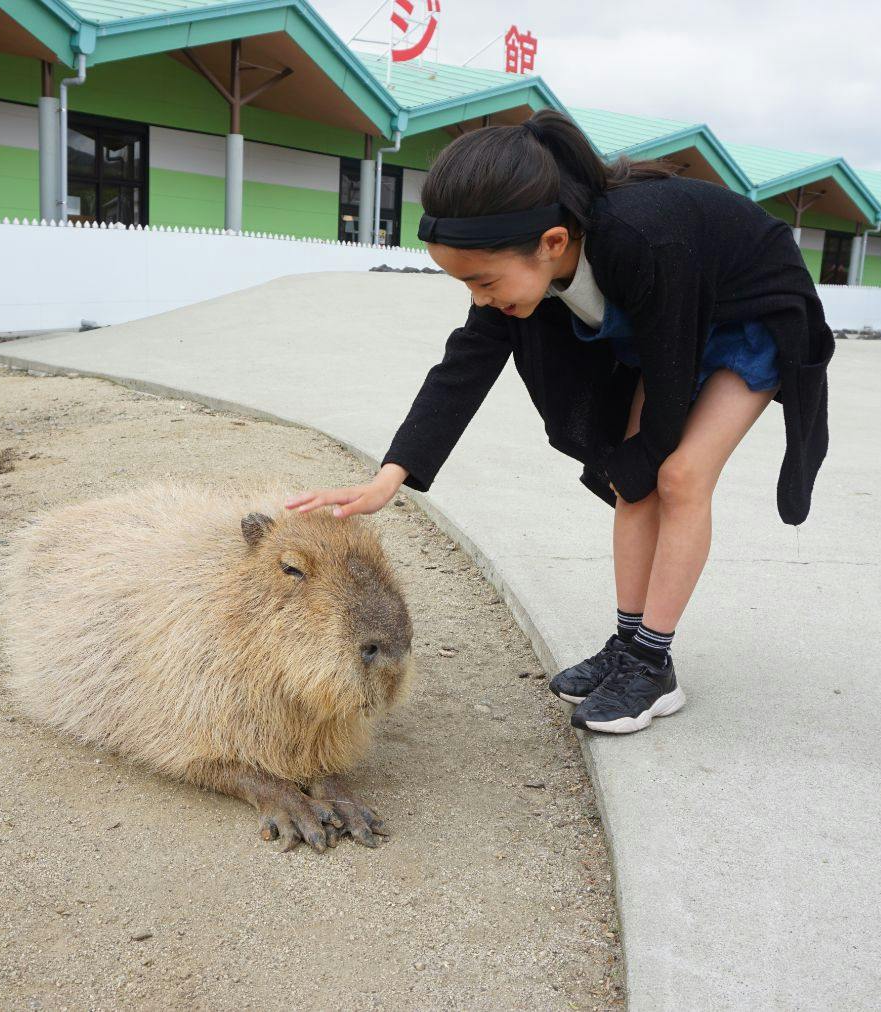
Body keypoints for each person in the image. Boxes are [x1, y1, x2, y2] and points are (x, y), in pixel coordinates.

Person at [284, 110, 833, 735]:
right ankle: (630, 643)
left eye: (483, 281)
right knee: (634, 479)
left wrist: (639, 456)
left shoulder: (643, 238)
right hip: (669, 329)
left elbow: (673, 371)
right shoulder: (529, 263)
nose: (479, 297)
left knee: (678, 476)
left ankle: (653, 666)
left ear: (551, 242)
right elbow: (467, 362)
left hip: (744, 319)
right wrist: (390, 476)